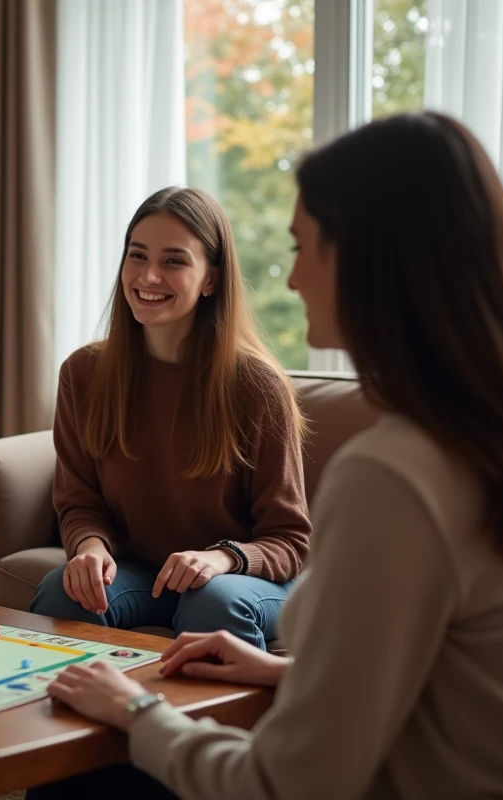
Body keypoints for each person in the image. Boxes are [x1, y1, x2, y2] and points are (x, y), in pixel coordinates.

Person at [35, 112, 503, 799]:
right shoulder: (475, 438)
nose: (290, 280)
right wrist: (279, 673)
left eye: (301, 246)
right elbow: (443, 677)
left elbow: (288, 782)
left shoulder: (392, 473)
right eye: (137, 255)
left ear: (367, 260)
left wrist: (135, 711)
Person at [29, 187, 310, 650]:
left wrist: (222, 559)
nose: (149, 276)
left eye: (174, 261)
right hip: (142, 573)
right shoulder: (83, 373)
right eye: (137, 256)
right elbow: (79, 503)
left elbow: (290, 540)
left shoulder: (257, 385)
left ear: (211, 280)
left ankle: (206, 725)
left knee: (212, 601)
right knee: (66, 590)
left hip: (238, 582)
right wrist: (90, 549)